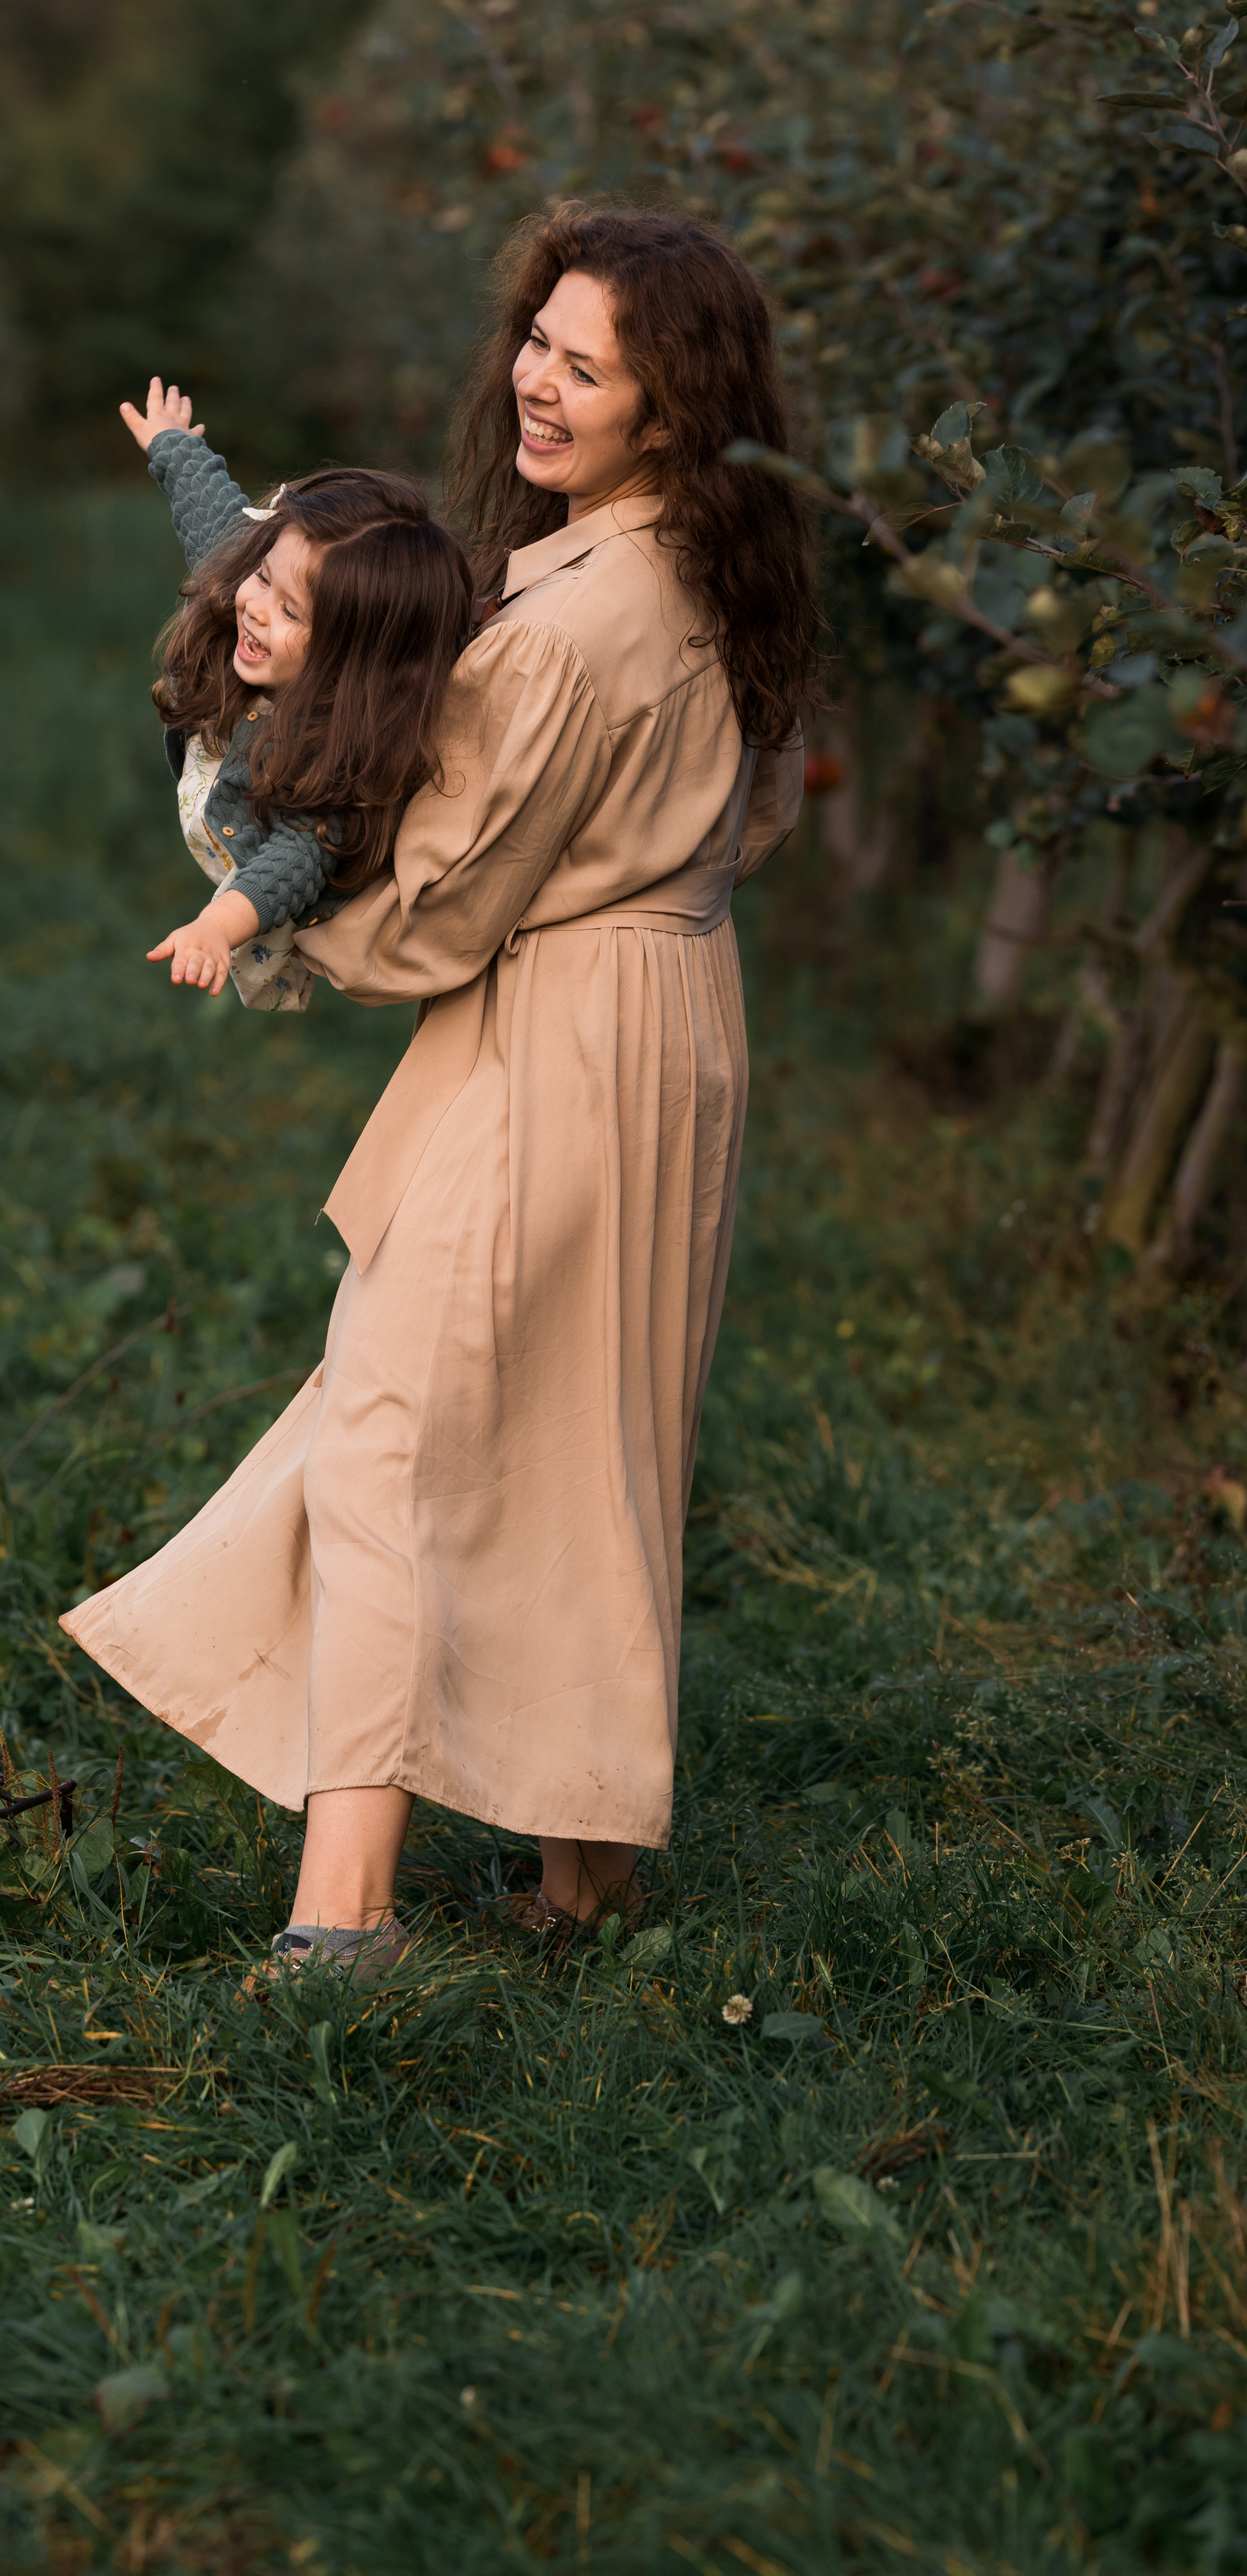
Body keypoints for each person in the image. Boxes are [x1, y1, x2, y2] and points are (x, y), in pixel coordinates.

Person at [65, 203, 817, 1974]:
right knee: (595, 1437)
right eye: (534, 343)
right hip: (675, 1009)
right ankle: (581, 1877)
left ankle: (341, 1921)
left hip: (550, 1030)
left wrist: (267, 908)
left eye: (585, 363)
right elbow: (767, 808)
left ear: (672, 401)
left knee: (389, 1447)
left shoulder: (556, 623)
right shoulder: (726, 565)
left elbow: (446, 905)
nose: (535, 385)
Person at [118, 378, 473, 1011]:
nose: (254, 610)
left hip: (264, 879)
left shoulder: (341, 758)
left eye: (291, 612)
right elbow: (218, 525)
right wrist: (173, 445)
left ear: (352, 660)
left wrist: (215, 927)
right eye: (263, 578)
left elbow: (295, 861)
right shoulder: (249, 592)